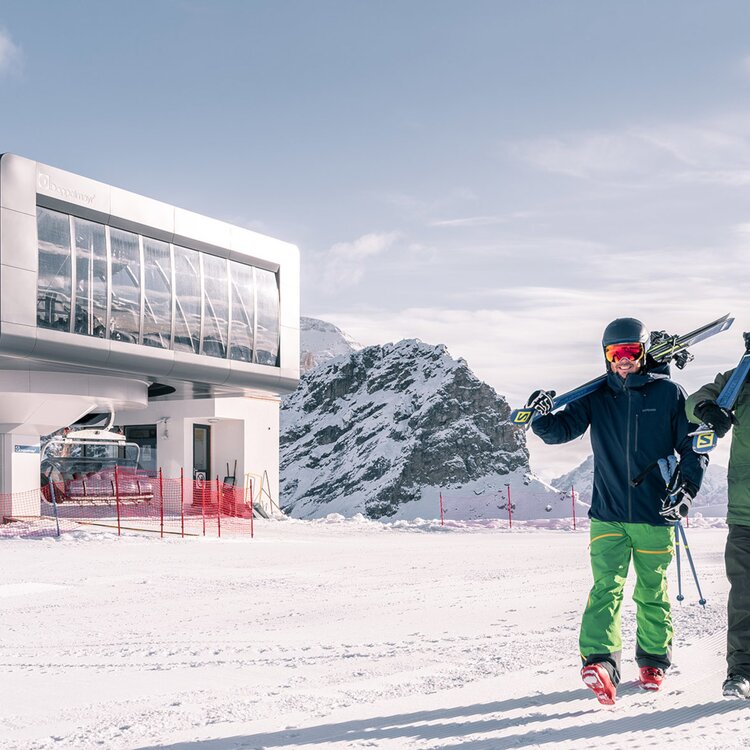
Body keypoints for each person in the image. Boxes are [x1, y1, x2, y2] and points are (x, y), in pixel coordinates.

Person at [527, 317, 706, 705]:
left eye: (629, 352)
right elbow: (560, 431)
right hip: (607, 513)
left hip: (654, 515)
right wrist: (540, 416)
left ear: (642, 353)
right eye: (614, 354)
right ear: (606, 357)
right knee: (604, 590)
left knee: (650, 591)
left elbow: (692, 448)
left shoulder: (669, 394)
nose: (623, 361)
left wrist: (686, 490)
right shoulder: (596, 397)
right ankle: (601, 664)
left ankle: (654, 661)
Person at [686, 353, 750, 700]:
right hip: (746, 511)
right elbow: (695, 400)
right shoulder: (741, 377)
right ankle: (740, 672)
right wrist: (708, 410)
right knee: (744, 598)